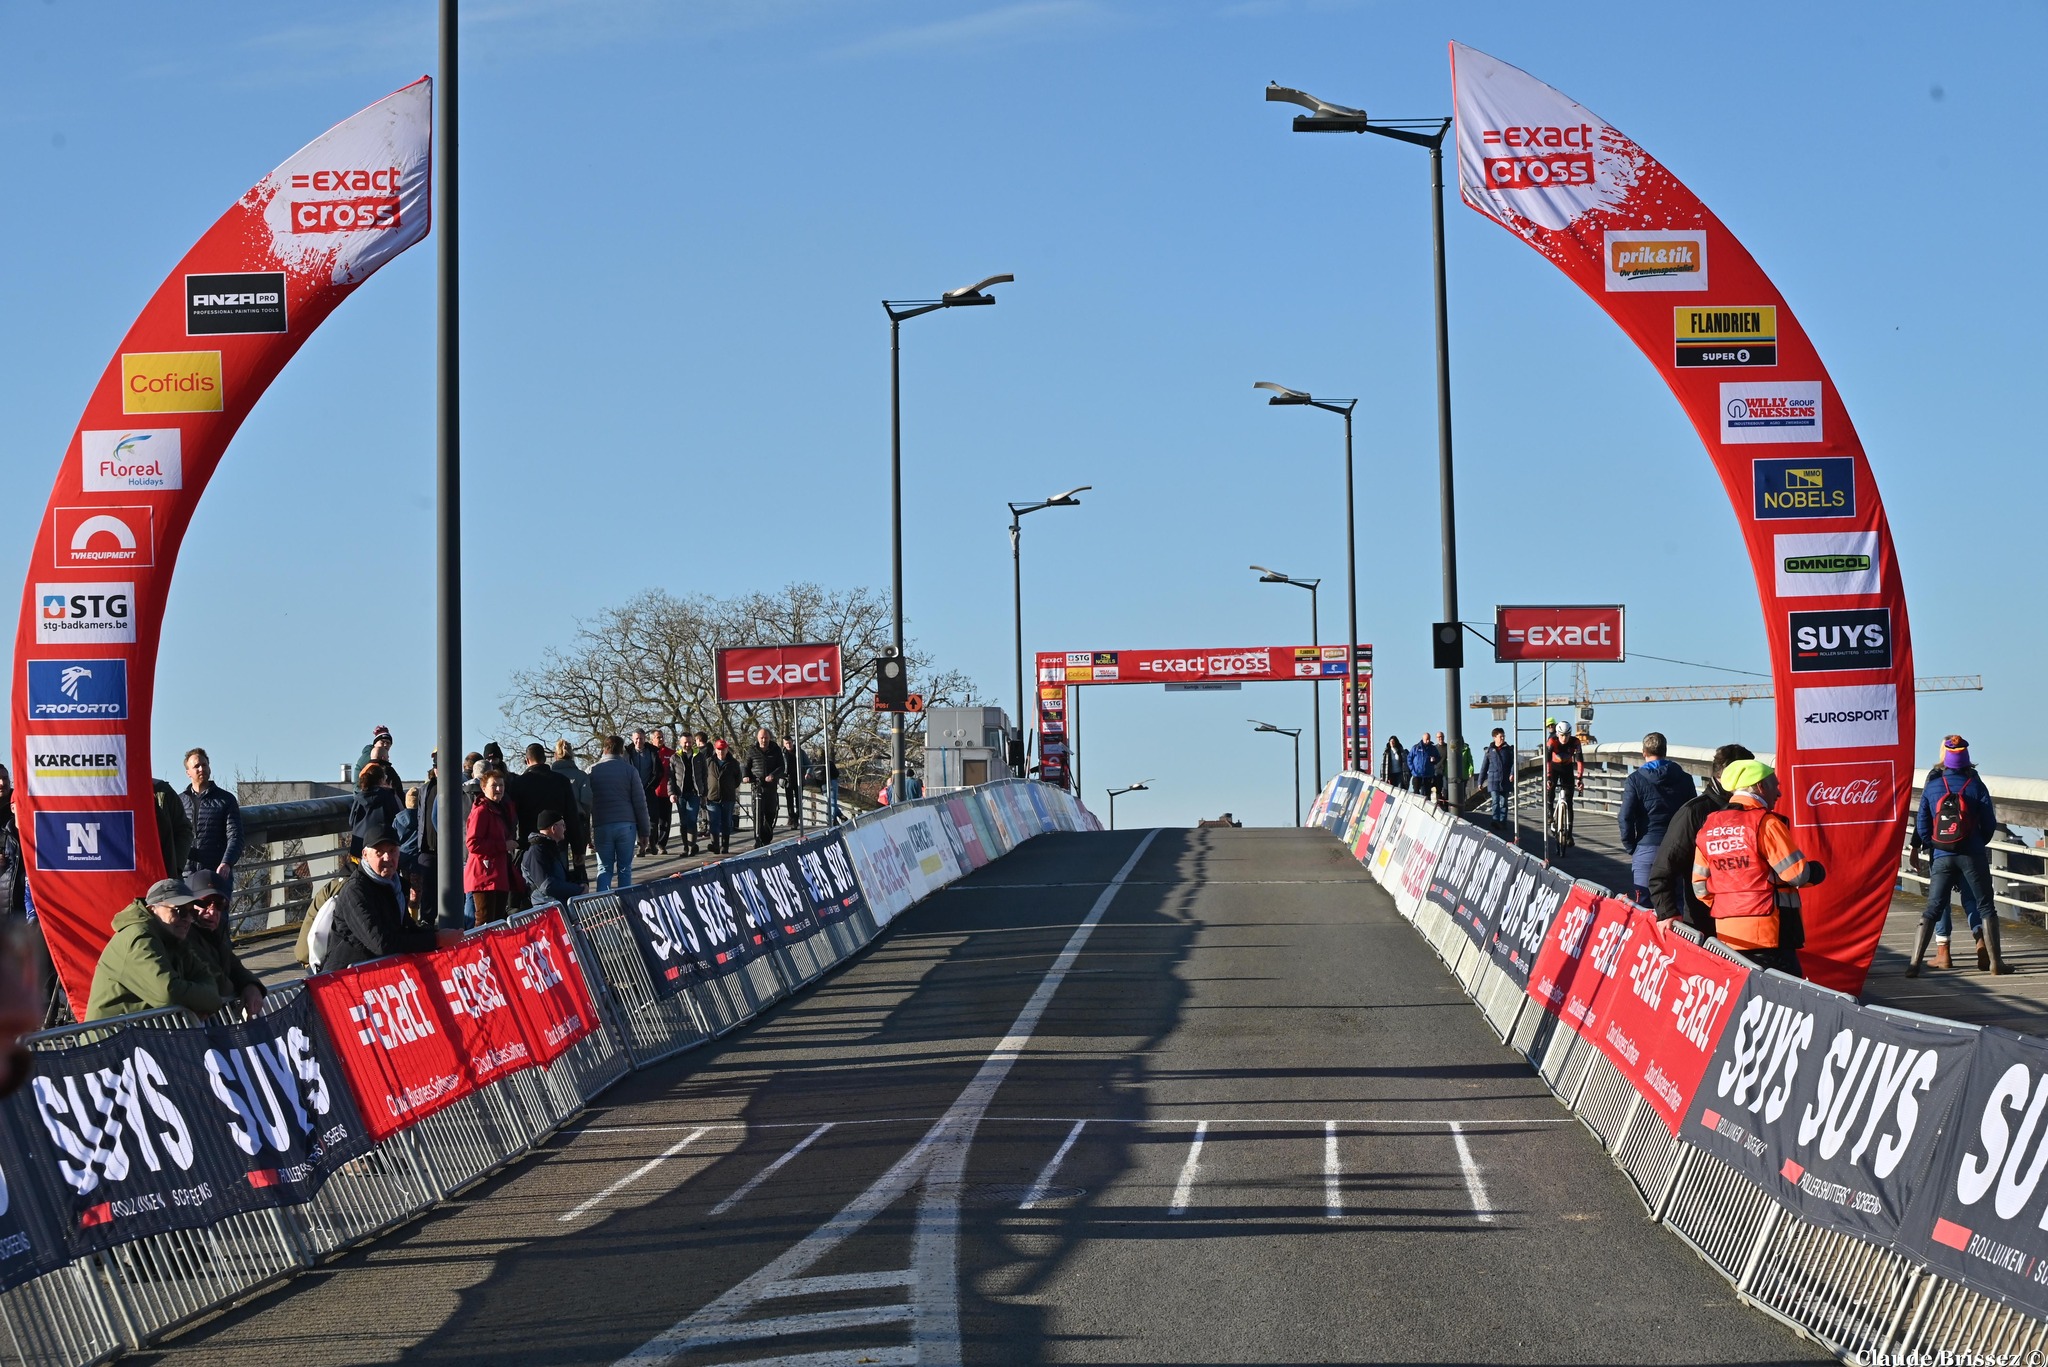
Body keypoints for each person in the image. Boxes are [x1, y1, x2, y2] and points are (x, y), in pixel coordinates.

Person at [1691, 759, 1824, 977]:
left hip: (1727, 935)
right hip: (1770, 933)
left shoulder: (1710, 826)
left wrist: (1731, 905)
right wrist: (1818, 871)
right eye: (1776, 785)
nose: (1779, 793)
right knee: (1786, 998)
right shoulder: (1766, 823)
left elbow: (1700, 888)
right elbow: (1797, 874)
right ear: (1760, 787)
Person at [1910, 735, 2007, 976]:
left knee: (1933, 907)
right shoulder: (1975, 786)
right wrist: (1975, 842)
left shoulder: (1933, 786)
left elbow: (1922, 824)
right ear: (1967, 760)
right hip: (1971, 853)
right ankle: (1996, 963)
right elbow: (1989, 822)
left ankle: (1914, 964)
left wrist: (1935, 844)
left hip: (1941, 854)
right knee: (1984, 906)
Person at [324, 820, 461, 973]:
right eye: (379, 852)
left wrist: (438, 935)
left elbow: (405, 930)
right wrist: (437, 939)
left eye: (392, 851)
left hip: (376, 975)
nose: (387, 857)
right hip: (344, 980)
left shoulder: (395, 885)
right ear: (365, 855)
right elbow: (381, 943)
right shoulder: (356, 891)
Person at [1648, 742, 1753, 936]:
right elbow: (1663, 869)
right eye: (1749, 774)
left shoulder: (1755, 812)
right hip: (1705, 922)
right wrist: (1667, 912)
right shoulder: (1694, 813)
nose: (1754, 781)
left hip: (1750, 921)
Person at [85, 877, 223, 1021]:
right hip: (112, 1040)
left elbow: (206, 978)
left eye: (191, 912)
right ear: (152, 910)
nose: (187, 919)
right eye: (180, 911)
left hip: (140, 1037)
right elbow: (169, 993)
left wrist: (202, 1000)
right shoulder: (139, 937)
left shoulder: (173, 938)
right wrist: (208, 1002)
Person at [1618, 733, 1697, 904]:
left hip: (1647, 847)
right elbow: (1693, 815)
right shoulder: (1685, 778)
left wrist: (1632, 847)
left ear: (1644, 752)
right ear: (1665, 751)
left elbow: (1625, 817)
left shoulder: (1635, 780)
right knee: (1675, 905)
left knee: (1644, 904)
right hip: (1677, 849)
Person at [183, 870, 265, 1017]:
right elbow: (213, 975)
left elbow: (232, 963)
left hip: (218, 1014)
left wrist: (251, 984)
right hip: (195, 1019)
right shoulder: (183, 932)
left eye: (220, 904)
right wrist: (236, 991)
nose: (213, 911)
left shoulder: (219, 929)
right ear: (189, 904)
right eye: (205, 902)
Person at [589, 735, 651, 891]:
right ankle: (625, 904)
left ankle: (602, 905)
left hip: (601, 824)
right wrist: (644, 832)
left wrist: (587, 832)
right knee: (625, 868)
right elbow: (640, 803)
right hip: (626, 824)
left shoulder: (592, 770)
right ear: (621, 750)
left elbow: (587, 803)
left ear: (604, 748)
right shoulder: (630, 771)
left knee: (604, 868)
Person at [179, 747, 242, 896]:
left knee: (217, 916)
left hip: (216, 873)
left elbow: (235, 836)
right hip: (186, 875)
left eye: (204, 765)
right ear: (188, 772)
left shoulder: (225, 799)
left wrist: (227, 862)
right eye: (196, 766)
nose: (202, 769)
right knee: (190, 918)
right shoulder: (180, 801)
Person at [466, 766, 517, 924]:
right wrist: (503, 845)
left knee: (498, 921)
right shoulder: (481, 811)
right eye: (494, 785)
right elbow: (473, 843)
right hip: (484, 875)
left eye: (501, 785)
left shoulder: (500, 809)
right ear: (483, 787)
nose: (498, 789)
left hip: (498, 873)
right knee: (484, 921)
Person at [511, 744, 577, 854]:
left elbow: (513, 817)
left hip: (529, 842)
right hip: (557, 839)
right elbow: (571, 815)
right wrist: (577, 848)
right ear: (545, 759)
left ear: (527, 760)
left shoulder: (518, 783)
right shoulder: (562, 781)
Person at [521, 810, 585, 906]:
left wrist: (580, 882)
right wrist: (579, 890)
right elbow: (547, 886)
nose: (565, 829)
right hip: (547, 909)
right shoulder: (536, 851)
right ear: (554, 828)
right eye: (562, 825)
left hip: (557, 905)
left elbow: (559, 878)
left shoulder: (548, 848)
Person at [551, 740, 594, 882]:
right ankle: (582, 889)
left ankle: (564, 890)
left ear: (555, 755)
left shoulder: (551, 776)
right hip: (577, 821)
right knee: (579, 860)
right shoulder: (581, 776)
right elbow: (587, 800)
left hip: (556, 823)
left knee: (561, 860)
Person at [1544, 721, 1585, 848]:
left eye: (1567, 735)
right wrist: (1549, 778)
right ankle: (1550, 813)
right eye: (1562, 735)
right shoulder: (1552, 742)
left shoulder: (1575, 742)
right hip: (1554, 768)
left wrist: (1579, 778)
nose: (1564, 738)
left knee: (1569, 801)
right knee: (1550, 789)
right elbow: (1548, 761)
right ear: (1557, 734)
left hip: (1567, 768)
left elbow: (1580, 760)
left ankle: (1569, 835)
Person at [349, 761, 403, 856]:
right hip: (380, 846)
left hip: (359, 845)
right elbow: (398, 818)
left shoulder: (358, 797)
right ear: (381, 779)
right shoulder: (387, 796)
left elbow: (351, 821)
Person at [745, 727, 785, 848]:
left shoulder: (775, 749)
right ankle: (758, 839)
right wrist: (746, 776)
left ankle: (767, 839)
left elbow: (782, 767)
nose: (764, 740)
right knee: (757, 813)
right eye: (762, 738)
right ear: (758, 738)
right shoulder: (752, 750)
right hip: (757, 786)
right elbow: (746, 766)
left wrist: (773, 775)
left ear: (769, 738)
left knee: (770, 814)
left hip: (770, 787)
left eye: (766, 738)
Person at [702, 738, 741, 855]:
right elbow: (704, 777)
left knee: (726, 822)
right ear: (715, 749)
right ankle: (715, 845)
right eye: (718, 749)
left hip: (727, 797)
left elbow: (737, 780)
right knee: (713, 822)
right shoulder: (709, 761)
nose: (721, 752)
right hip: (712, 797)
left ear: (727, 749)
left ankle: (725, 846)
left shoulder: (733, 763)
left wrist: (729, 786)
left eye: (723, 749)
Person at [153, 777, 191, 878]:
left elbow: (184, 830)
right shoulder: (110, 791)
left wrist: (175, 867)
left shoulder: (161, 790)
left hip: (164, 877)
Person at [1477, 727, 1515, 828]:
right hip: (1493, 780)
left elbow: (1513, 763)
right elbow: (1484, 767)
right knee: (1495, 800)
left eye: (1503, 736)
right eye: (1500, 736)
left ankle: (1503, 822)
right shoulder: (1489, 751)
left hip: (1505, 780)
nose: (1502, 738)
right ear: (1494, 737)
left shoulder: (1508, 750)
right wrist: (1480, 781)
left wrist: (1512, 773)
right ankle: (1495, 820)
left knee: (1504, 802)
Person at [645, 728, 674, 856]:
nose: (661, 739)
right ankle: (651, 844)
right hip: (652, 792)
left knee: (665, 820)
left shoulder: (671, 753)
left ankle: (661, 844)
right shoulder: (648, 753)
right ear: (652, 739)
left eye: (662, 736)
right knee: (652, 820)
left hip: (666, 792)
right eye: (658, 737)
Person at [674, 733, 702, 856]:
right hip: (680, 793)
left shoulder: (699, 756)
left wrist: (704, 792)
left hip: (694, 793)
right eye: (685, 742)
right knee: (683, 821)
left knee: (692, 819)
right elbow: (671, 776)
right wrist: (671, 793)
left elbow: (704, 775)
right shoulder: (675, 757)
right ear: (680, 743)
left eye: (690, 742)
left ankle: (691, 847)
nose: (687, 744)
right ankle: (686, 847)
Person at [1406, 733, 1439, 803]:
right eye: (1426, 739)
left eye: (1429, 739)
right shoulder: (1416, 748)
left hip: (1428, 775)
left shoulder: (1433, 748)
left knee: (1426, 794)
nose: (1428, 741)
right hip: (1417, 774)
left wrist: (1434, 760)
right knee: (1416, 793)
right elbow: (1409, 758)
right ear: (1423, 739)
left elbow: (1438, 758)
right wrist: (1412, 770)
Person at [783, 737, 803, 829]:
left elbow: (807, 763)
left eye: (789, 743)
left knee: (799, 800)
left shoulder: (799, 752)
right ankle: (792, 817)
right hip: (788, 780)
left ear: (792, 742)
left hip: (798, 779)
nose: (788, 745)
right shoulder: (782, 754)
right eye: (786, 743)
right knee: (789, 801)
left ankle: (796, 820)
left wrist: (808, 773)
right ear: (784, 744)